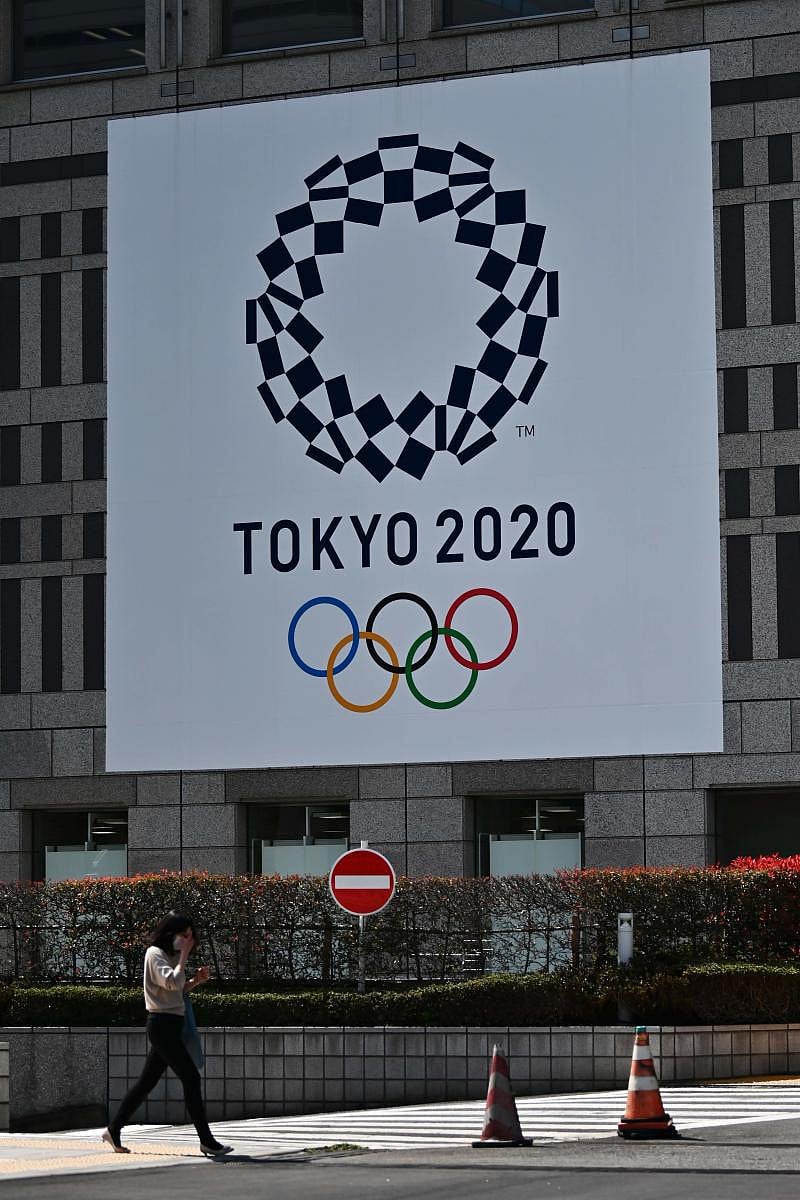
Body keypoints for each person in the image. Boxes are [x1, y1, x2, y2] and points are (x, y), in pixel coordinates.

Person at [102, 912, 233, 1158]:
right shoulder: (155, 954)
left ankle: (113, 1129)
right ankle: (207, 1141)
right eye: (184, 936)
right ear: (171, 933)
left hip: (172, 1025)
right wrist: (183, 957)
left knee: (146, 1083)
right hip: (161, 1026)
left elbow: (177, 990)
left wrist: (195, 981)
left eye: (191, 938)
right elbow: (171, 982)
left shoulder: (170, 956)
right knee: (191, 1078)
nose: (187, 942)